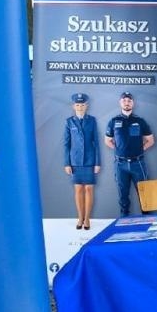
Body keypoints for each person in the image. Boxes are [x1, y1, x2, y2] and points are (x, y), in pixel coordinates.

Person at [104, 91, 154, 218]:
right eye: (124, 100)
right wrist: (119, 151)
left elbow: (151, 140)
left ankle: (147, 220)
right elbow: (107, 140)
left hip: (138, 163)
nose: (127, 103)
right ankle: (124, 221)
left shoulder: (140, 121)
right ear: (120, 103)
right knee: (123, 195)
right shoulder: (113, 121)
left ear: (133, 103)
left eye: (129, 100)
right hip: (120, 164)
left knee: (144, 194)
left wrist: (139, 149)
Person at [63, 92, 100, 230]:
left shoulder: (92, 120)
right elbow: (66, 144)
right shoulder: (69, 122)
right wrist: (67, 163)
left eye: (82, 105)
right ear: (74, 106)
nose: (80, 107)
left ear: (86, 106)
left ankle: (87, 218)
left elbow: (96, 142)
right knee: (78, 189)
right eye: (77, 105)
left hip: (90, 159)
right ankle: (80, 217)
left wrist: (97, 162)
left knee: (89, 189)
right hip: (75, 160)